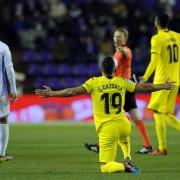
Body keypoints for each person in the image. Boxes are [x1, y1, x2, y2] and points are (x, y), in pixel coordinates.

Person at [35, 56, 175, 173]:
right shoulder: (122, 82)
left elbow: (72, 92)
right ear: (115, 69)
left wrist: (52, 93)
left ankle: (125, 166)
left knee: (105, 166)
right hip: (124, 124)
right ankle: (127, 156)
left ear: (101, 70)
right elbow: (144, 87)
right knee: (123, 136)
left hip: (108, 129)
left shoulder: (94, 83)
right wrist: (163, 86)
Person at [85, 28, 153, 154]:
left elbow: (123, 56)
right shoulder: (118, 52)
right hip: (124, 87)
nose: (117, 39)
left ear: (125, 39)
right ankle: (148, 146)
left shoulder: (123, 51)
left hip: (122, 88)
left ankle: (101, 145)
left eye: (120, 37)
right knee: (134, 116)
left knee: (110, 117)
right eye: (115, 36)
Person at [140, 14, 180, 155]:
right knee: (167, 113)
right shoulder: (177, 36)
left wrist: (145, 77)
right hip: (176, 80)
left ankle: (162, 148)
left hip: (163, 82)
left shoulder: (157, 38)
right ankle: (162, 148)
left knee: (158, 112)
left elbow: (154, 61)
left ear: (156, 23)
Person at [0, 41, 17, 161]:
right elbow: (9, 69)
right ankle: (1, 154)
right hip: (0, 91)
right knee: (3, 118)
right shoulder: (3, 47)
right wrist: (13, 90)